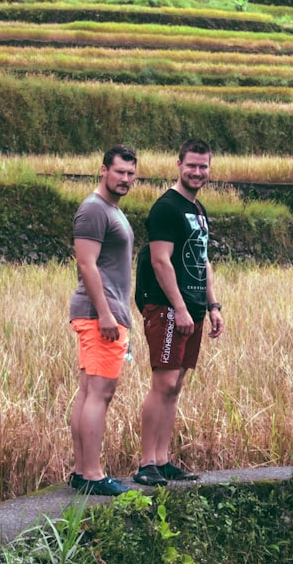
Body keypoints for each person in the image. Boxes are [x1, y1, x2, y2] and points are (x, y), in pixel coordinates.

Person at [133, 138, 224, 487]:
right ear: (178, 164)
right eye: (192, 166)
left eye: (203, 167)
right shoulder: (166, 208)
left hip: (194, 308)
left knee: (177, 384)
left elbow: (203, 262)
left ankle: (162, 459)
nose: (198, 172)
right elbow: (160, 261)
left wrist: (212, 305)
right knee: (163, 382)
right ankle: (146, 463)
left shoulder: (198, 210)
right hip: (169, 307)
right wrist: (180, 309)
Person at [68, 145, 138, 496]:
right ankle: (92, 475)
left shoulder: (109, 209)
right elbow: (86, 264)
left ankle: (82, 471)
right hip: (100, 315)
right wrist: (107, 313)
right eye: (119, 172)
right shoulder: (94, 210)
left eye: (130, 174)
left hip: (105, 313)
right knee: (100, 394)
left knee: (89, 392)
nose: (125, 179)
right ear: (103, 170)